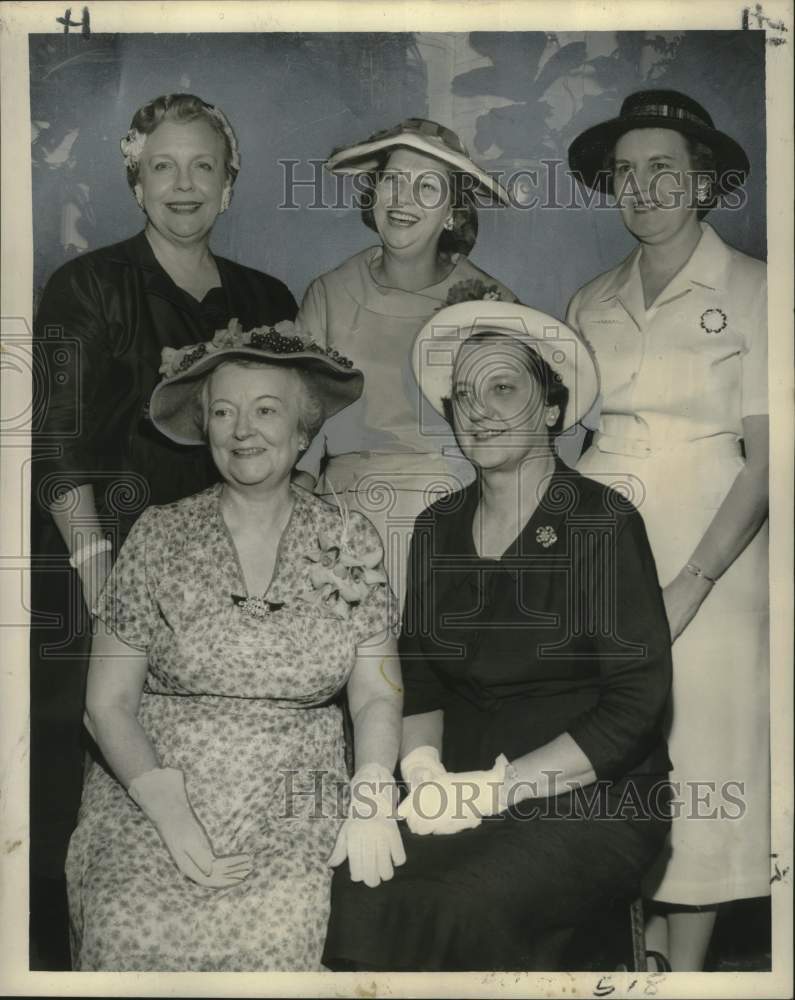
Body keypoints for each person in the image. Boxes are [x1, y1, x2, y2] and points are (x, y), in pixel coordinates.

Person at [322, 300, 673, 972]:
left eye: (502, 388)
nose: (477, 409)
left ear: (550, 408)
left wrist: (496, 789)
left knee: (465, 904)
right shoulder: (436, 528)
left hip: (592, 796)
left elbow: (636, 705)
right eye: (461, 395)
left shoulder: (601, 522)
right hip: (455, 791)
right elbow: (418, 677)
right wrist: (421, 772)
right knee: (357, 892)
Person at [29, 93, 296, 966]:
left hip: (221, 580)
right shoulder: (87, 285)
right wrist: (109, 591)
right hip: (95, 569)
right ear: (134, 177)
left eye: (203, 167)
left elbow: (281, 448)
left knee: (205, 787)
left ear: (230, 184)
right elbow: (58, 452)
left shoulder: (266, 296)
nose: (184, 184)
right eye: (163, 166)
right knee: (86, 791)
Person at [65, 321, 405, 971]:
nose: (242, 428)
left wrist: (371, 789)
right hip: (150, 794)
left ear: (303, 430)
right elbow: (105, 705)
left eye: (265, 410)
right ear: (206, 430)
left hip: (289, 801)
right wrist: (165, 806)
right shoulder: (159, 535)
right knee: (128, 932)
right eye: (223, 412)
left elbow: (374, 693)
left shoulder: (349, 539)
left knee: (276, 939)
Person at [566, 89, 769, 971]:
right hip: (606, 540)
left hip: (714, 550)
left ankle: (685, 971)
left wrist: (691, 581)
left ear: (702, 183)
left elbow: (770, 461)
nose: (641, 188)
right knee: (615, 740)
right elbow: (570, 442)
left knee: (702, 744)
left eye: (662, 169)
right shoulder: (589, 301)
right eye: (625, 173)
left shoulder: (760, 289)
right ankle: (634, 948)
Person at [293, 118, 518, 603]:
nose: (402, 199)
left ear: (454, 212)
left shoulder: (490, 302)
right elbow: (301, 432)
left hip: (456, 510)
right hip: (341, 515)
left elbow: (515, 440)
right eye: (392, 180)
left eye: (426, 187)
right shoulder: (330, 293)